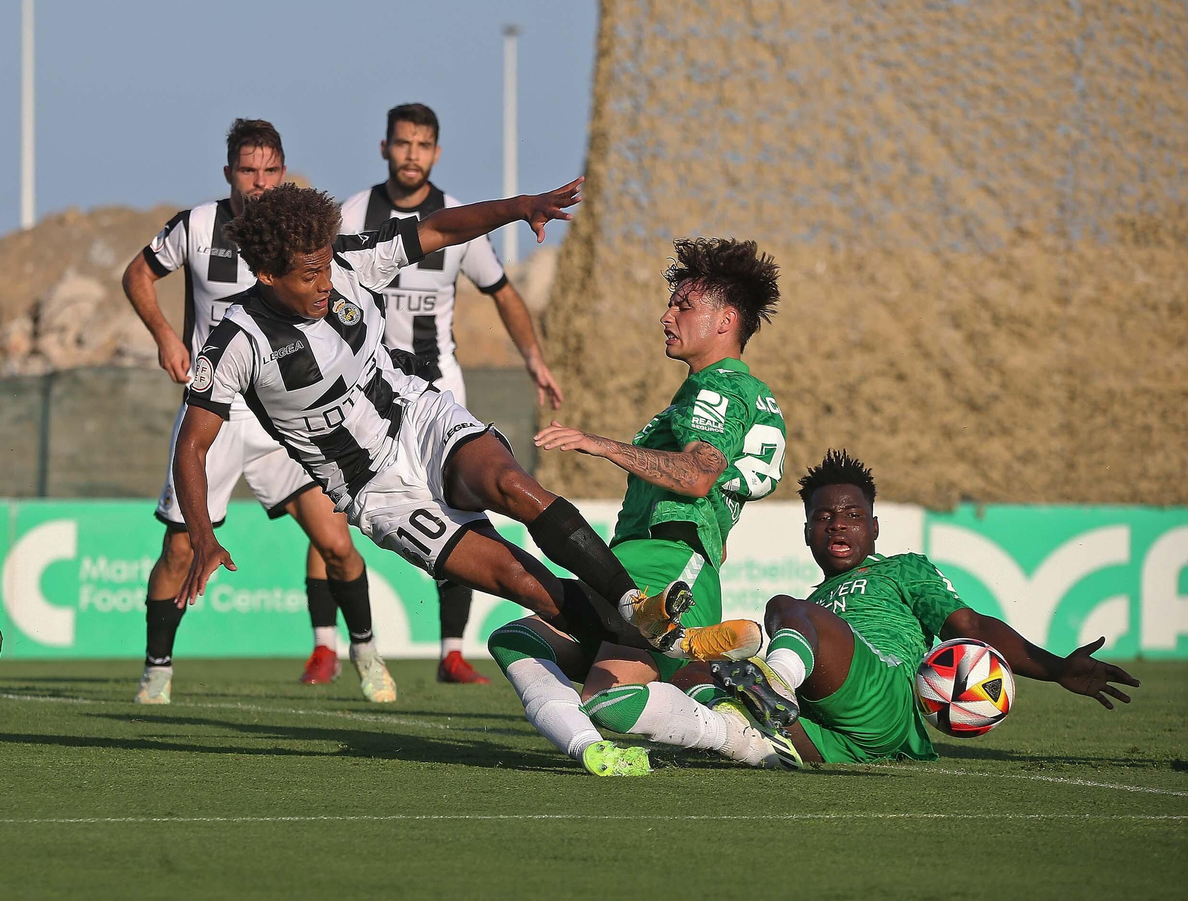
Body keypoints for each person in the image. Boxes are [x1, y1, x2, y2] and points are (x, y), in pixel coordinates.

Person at [173, 181, 745, 683]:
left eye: (326, 264)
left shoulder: (348, 263)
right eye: (308, 274)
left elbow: (441, 228)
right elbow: (192, 444)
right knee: (523, 583)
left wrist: (521, 206)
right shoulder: (235, 342)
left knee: (512, 488)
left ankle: (633, 604)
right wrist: (202, 532)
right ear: (269, 275)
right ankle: (679, 667)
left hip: (418, 417)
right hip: (374, 489)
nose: (325, 281)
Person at [487, 238, 790, 774]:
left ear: (726, 320)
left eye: (683, 306)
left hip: (671, 562)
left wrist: (599, 443)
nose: (666, 315)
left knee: (612, 700)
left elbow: (697, 477)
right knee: (516, 639)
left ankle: (734, 733)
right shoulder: (734, 391)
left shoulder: (716, 389)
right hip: (632, 563)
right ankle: (597, 749)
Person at [122, 120, 392, 704]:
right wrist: (167, 337)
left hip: (285, 417)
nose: (260, 182)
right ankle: (157, 672)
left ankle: (367, 653)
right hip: (215, 415)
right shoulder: (195, 225)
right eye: (248, 170)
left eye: (271, 170)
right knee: (179, 549)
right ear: (228, 174)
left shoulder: (298, 239)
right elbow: (137, 274)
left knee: (337, 543)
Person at [300, 103, 564, 686]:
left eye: (423, 144)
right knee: (328, 506)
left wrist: (534, 358)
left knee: (465, 509)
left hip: (435, 387)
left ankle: (451, 650)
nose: (412, 154)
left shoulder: (453, 219)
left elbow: (501, 291)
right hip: (362, 391)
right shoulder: (353, 215)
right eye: (403, 143)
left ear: (436, 152)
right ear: (385, 148)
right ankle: (323, 646)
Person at [699, 449, 1140, 765]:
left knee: (781, 607)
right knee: (696, 679)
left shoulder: (900, 570)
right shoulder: (814, 606)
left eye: (852, 515)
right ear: (807, 532)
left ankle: (774, 684)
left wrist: (1056, 668)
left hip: (882, 692)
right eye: (824, 516)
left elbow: (970, 625)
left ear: (873, 527)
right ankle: (709, 737)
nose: (837, 524)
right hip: (842, 734)